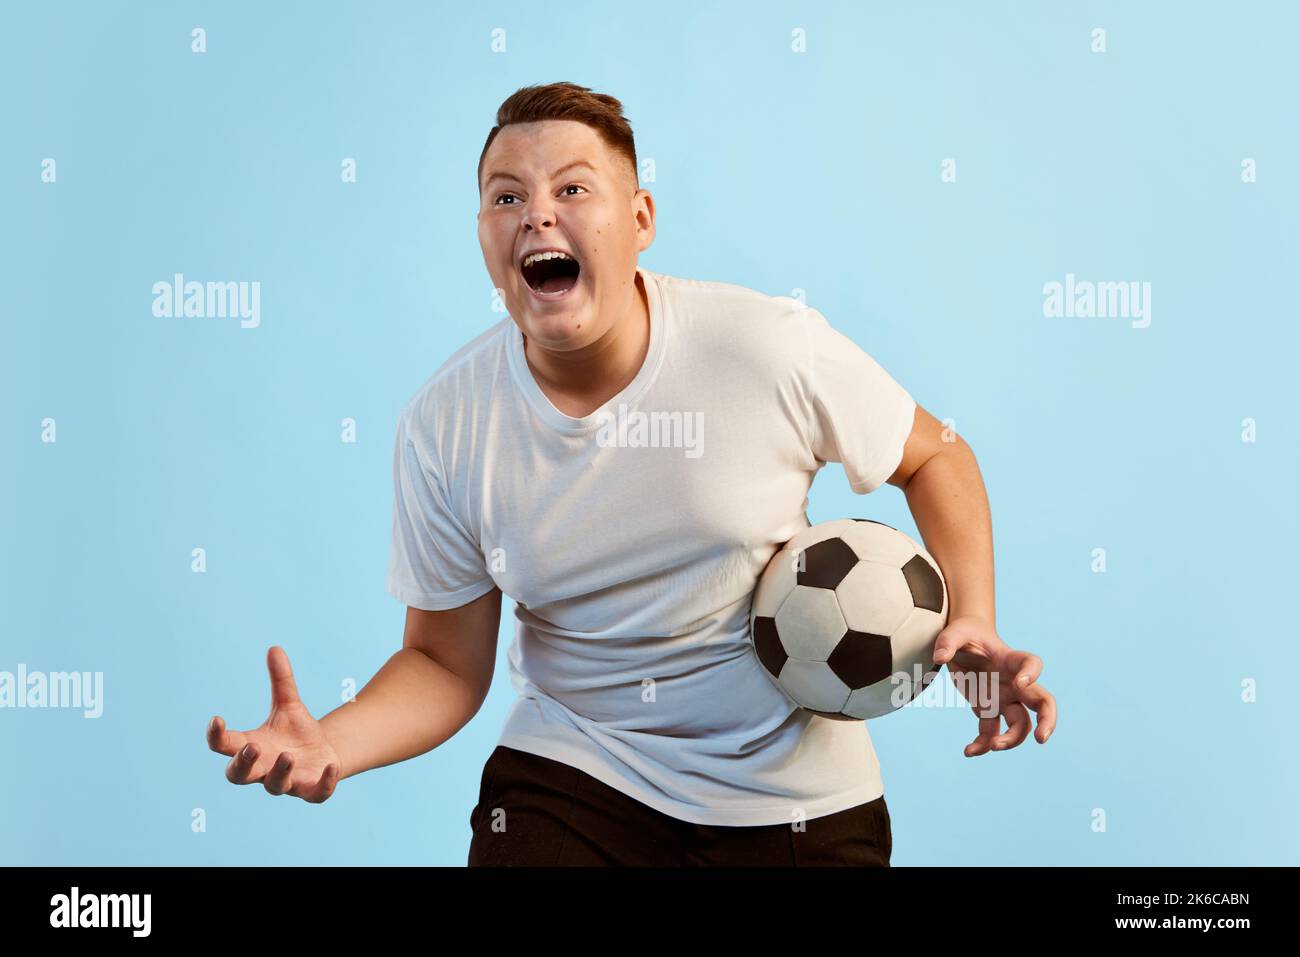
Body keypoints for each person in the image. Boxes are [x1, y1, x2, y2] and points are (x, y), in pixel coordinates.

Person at [206, 81, 1057, 866]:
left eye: (572, 189)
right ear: (482, 233)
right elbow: (442, 662)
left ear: (641, 218)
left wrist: (974, 619)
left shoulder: (762, 346)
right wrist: (334, 742)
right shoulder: (445, 424)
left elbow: (936, 452)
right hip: (576, 774)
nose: (538, 214)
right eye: (508, 196)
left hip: (796, 798)